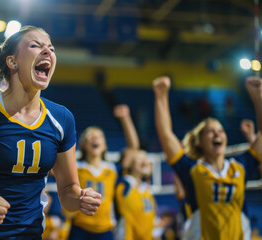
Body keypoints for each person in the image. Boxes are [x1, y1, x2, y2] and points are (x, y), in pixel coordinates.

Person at [0, 25, 101, 239]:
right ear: (12, 61)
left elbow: (68, 192)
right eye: (36, 45)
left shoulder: (62, 119)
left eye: (51, 48)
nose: (48, 52)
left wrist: (80, 199)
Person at [152, 75, 262, 240]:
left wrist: (258, 96)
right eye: (210, 131)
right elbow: (166, 135)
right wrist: (161, 96)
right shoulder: (192, 169)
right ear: (199, 142)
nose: (217, 134)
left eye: (221, 130)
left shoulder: (240, 166)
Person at [68, 104, 139, 240]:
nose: (95, 138)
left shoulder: (112, 169)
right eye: (90, 136)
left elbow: (133, 147)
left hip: (105, 229)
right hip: (79, 227)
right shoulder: (76, 167)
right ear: (83, 144)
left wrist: (125, 118)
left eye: (99, 136)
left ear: (105, 145)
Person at [114, 149, 157, 240]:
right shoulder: (124, 184)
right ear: (130, 163)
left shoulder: (146, 189)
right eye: (140, 158)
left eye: (146, 159)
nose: (145, 161)